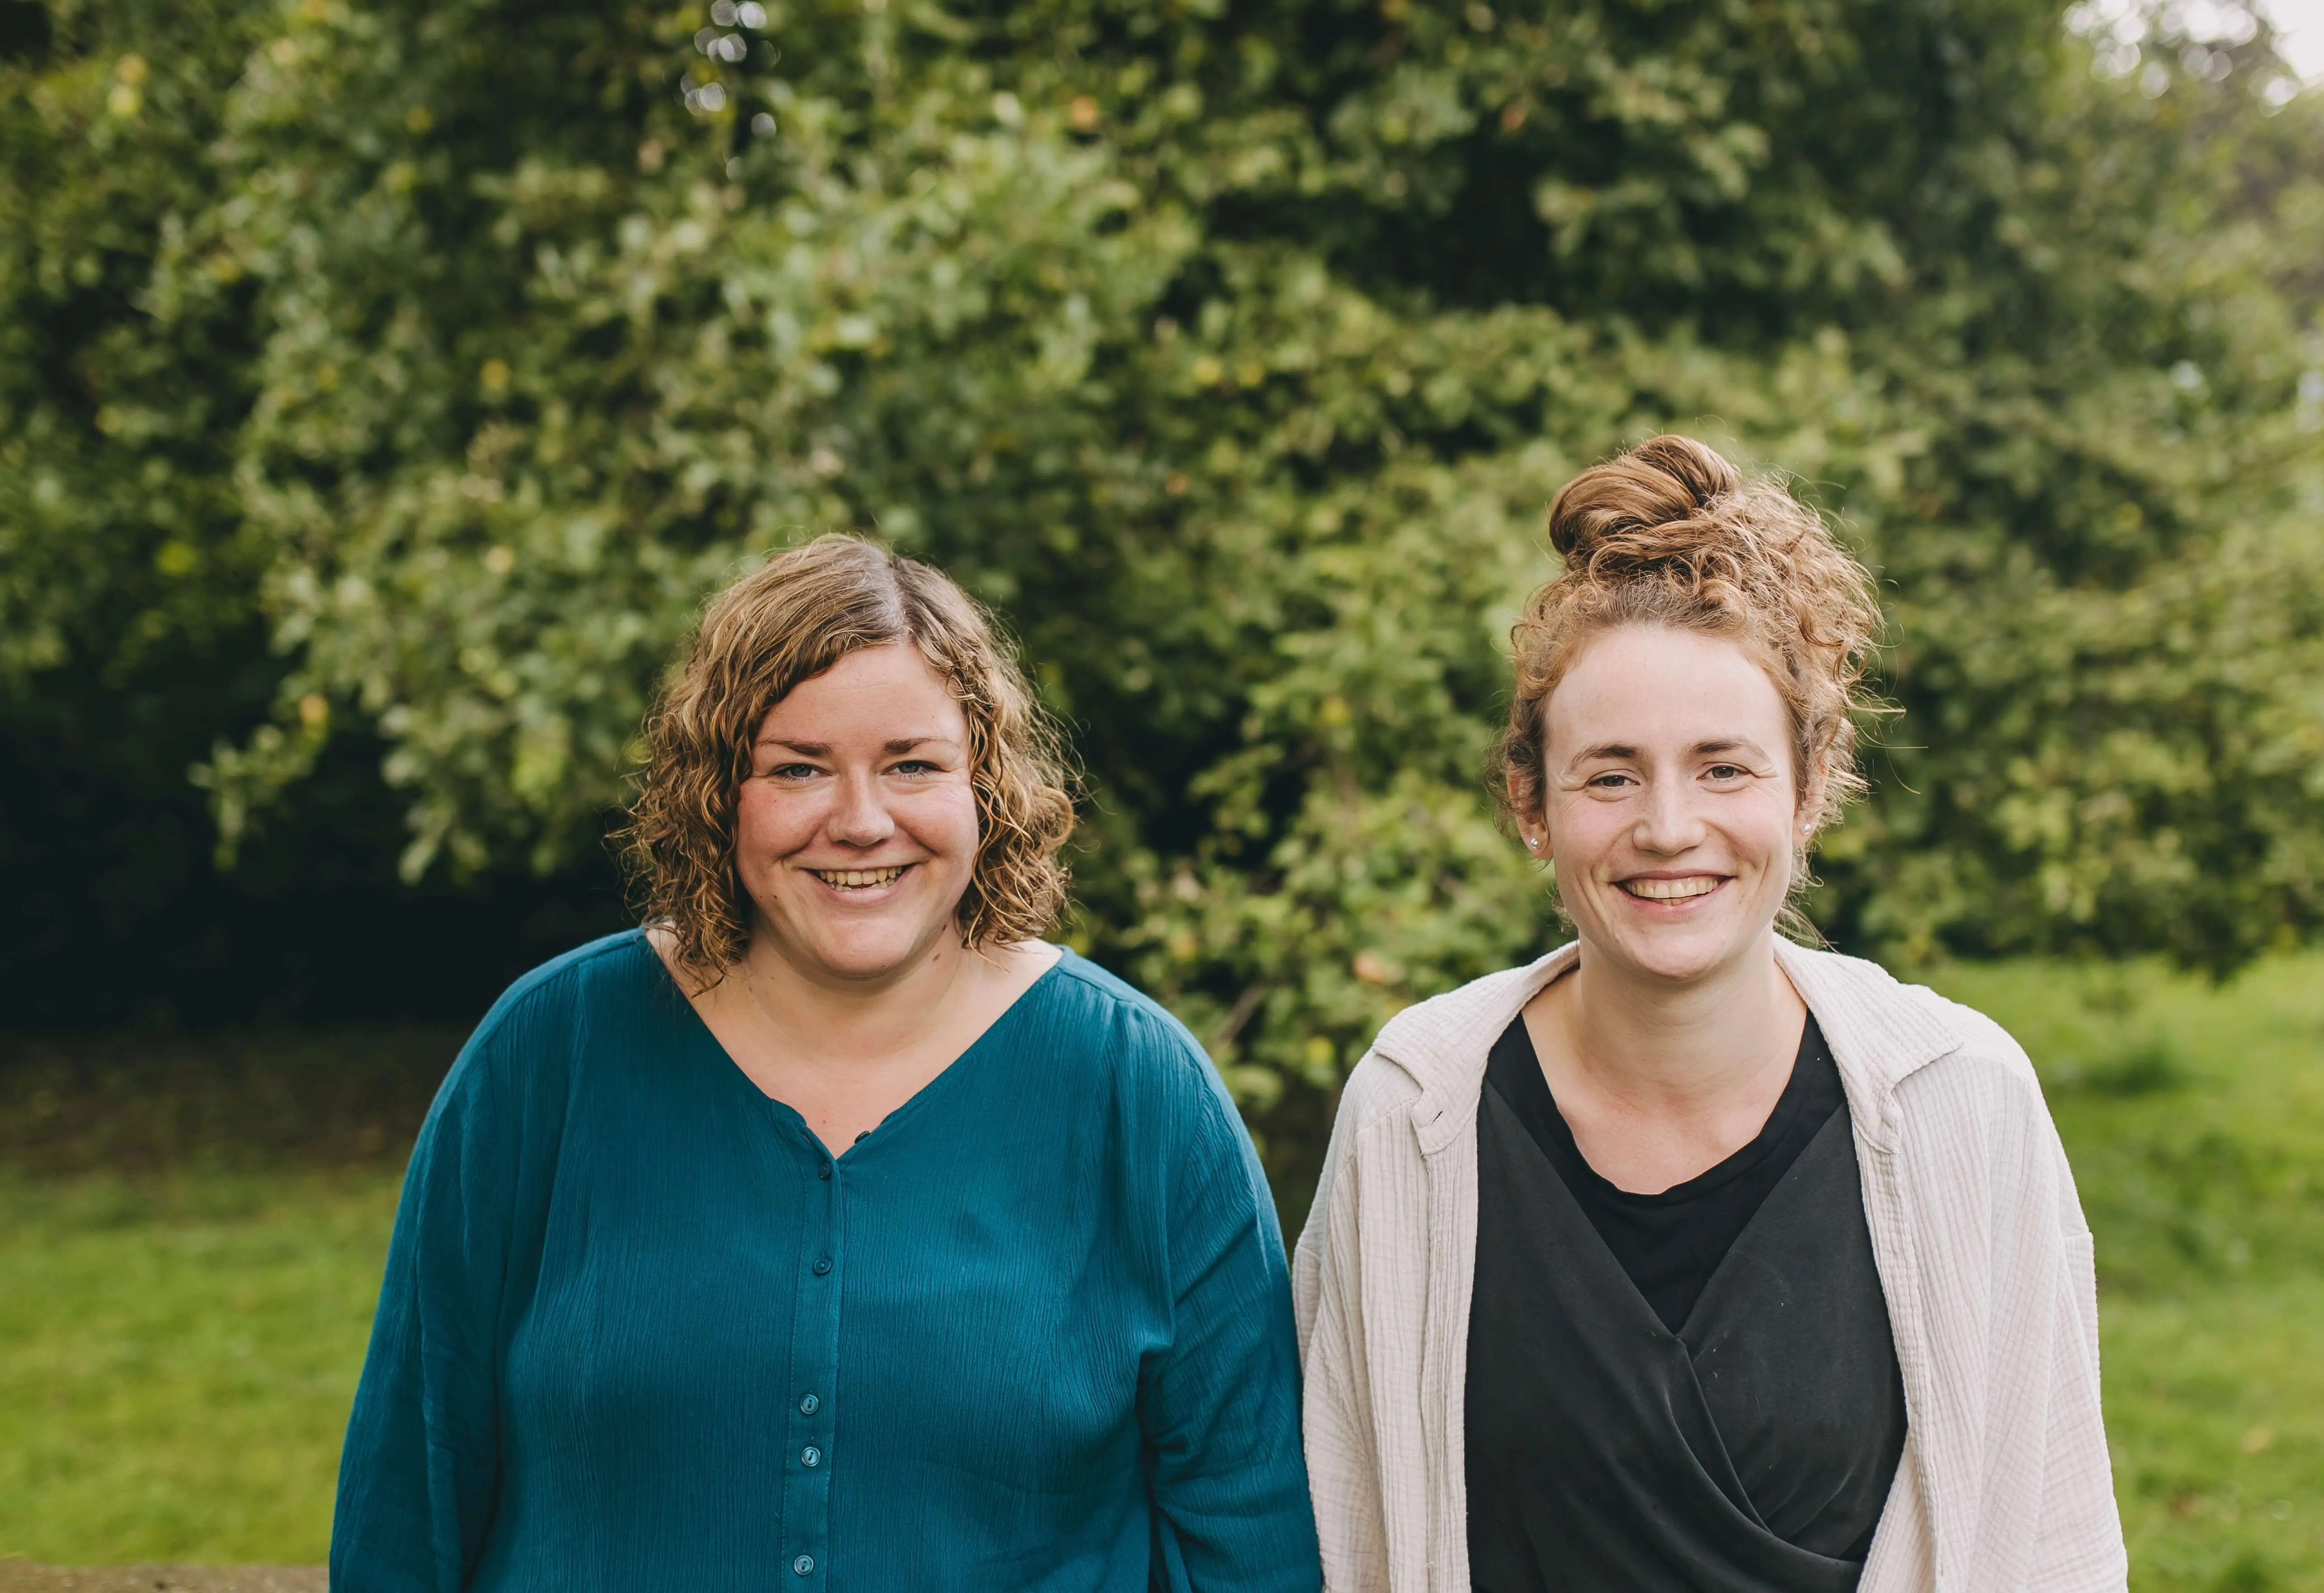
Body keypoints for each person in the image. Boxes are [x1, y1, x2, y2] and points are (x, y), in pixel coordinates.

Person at [332, 536, 1319, 1592]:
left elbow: (1248, 1536)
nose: (859, 821)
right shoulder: (544, 1059)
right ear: (719, 792)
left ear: (984, 786)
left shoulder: (1140, 1091)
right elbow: (411, 1501)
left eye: (912, 764)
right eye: (797, 767)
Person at [1292, 438, 2125, 1592]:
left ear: (1810, 784)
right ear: (1531, 804)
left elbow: (2050, 1542)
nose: (1669, 826)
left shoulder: (1960, 1102)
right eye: (1610, 774)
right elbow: (1346, 1532)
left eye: (1723, 768)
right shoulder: (1416, 1111)